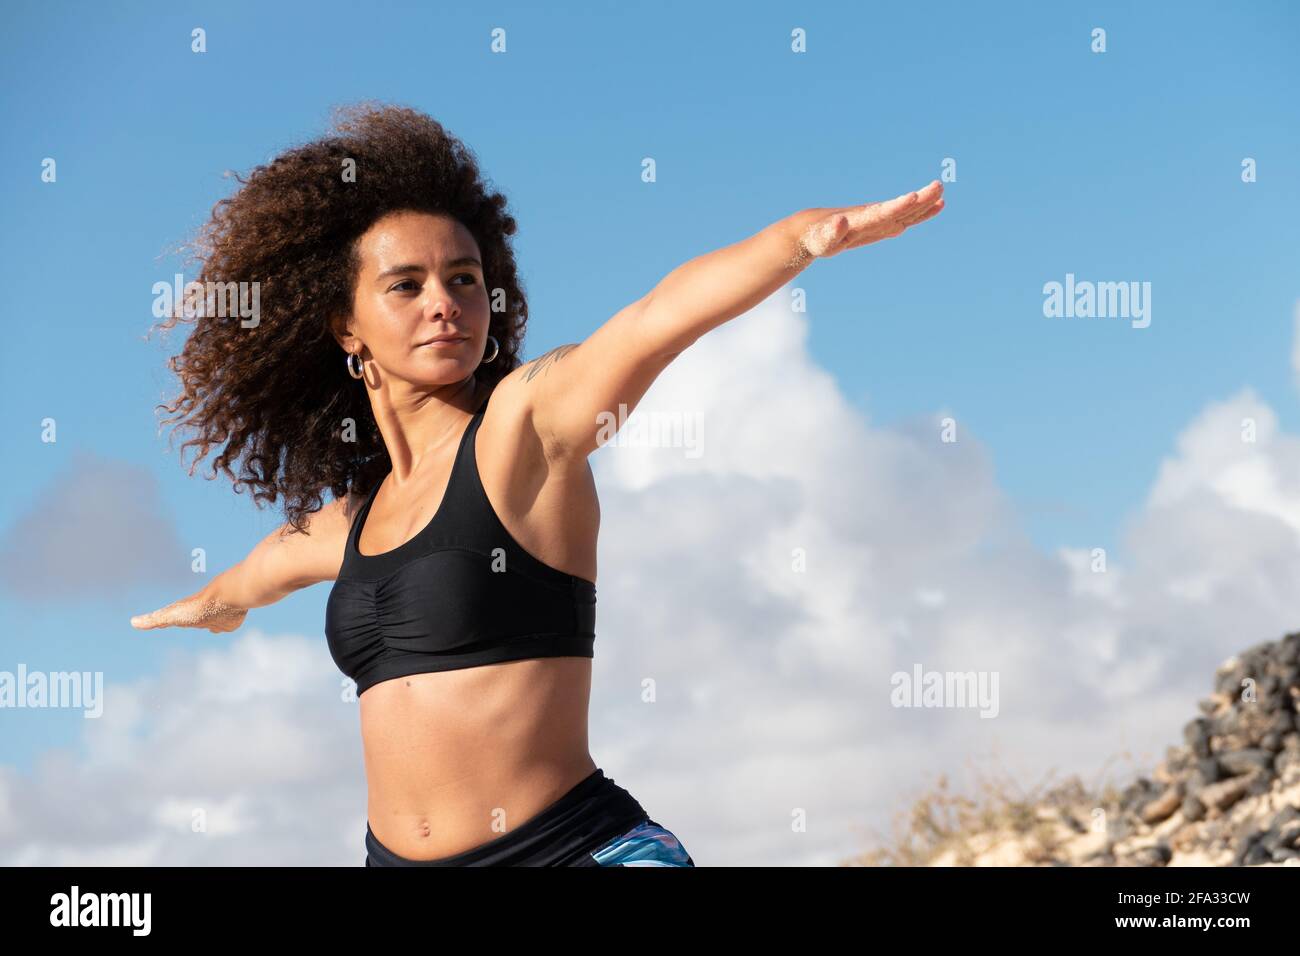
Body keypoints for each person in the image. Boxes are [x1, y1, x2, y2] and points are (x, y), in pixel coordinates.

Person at [130, 103, 944, 866]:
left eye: (464, 279)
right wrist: (209, 608)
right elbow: (258, 573)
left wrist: (798, 242)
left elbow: (656, 318)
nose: (445, 304)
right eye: (405, 285)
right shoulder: (351, 523)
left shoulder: (529, 428)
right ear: (346, 326)